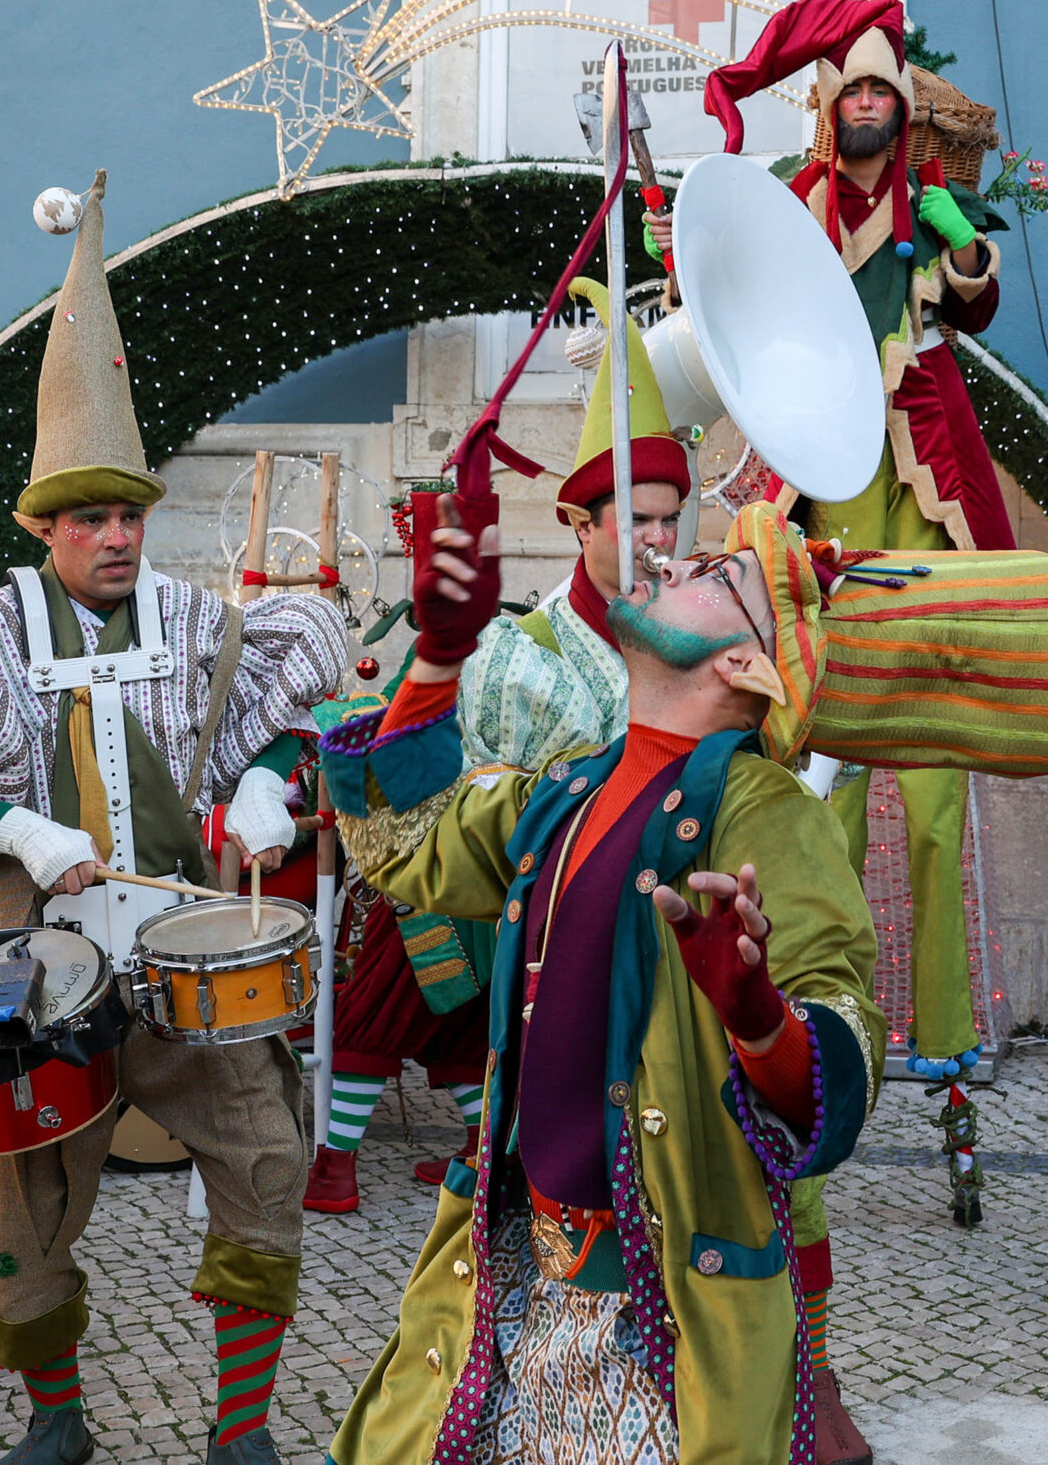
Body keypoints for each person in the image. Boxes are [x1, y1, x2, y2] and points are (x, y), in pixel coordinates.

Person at [0, 172, 347, 1465]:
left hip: (183, 941)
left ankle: (241, 1435)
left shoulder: (196, 622)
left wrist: (271, 774)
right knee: (26, 1201)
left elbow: (282, 701)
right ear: (47, 526)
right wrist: (14, 825)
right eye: (91, 516)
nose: (117, 534)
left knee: (266, 1159)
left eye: (130, 512)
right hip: (38, 955)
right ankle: (56, 1429)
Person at [322, 491, 883, 1465]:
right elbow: (407, 845)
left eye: (716, 575)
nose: (674, 561)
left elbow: (840, 1036)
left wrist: (756, 1014)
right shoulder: (569, 787)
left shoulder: (766, 809)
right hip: (513, 1280)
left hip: (664, 1319)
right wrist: (439, 658)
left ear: (743, 663)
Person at [687, 0, 1012, 1091]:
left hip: (918, 494)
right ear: (830, 106)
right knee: (815, 793)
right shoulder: (799, 199)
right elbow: (730, 268)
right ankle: (823, 1009)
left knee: (929, 790)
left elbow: (976, 295)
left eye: (882, 90)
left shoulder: (929, 203)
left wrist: (965, 262)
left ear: (901, 108)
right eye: (853, 90)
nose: (867, 104)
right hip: (820, 498)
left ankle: (945, 1026)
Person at [303, 303, 690, 1219]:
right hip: (515, 913)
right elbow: (422, 795)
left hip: (658, 929)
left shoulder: (696, 636)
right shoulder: (516, 652)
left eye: (672, 522)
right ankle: (445, 1158)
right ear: (578, 524)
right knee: (432, 1018)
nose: (661, 543)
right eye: (637, 520)